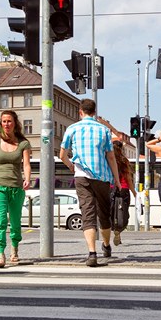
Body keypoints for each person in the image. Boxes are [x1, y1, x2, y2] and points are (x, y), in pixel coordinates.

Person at [59, 98, 121, 267]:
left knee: (87, 214)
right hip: (102, 177)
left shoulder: (72, 129)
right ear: (95, 112)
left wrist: (71, 166)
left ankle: (92, 253)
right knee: (104, 214)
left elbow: (62, 154)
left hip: (81, 176)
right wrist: (116, 179)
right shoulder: (104, 130)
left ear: (80, 112)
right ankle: (106, 246)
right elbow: (110, 157)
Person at [0, 110, 31, 268]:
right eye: (4, 121)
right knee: (1, 221)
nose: (7, 124)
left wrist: (27, 178)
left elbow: (26, 164)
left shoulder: (23, 143)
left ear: (15, 123)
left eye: (9, 121)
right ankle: (0, 254)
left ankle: (15, 249)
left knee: (16, 222)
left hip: (17, 188)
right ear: (1, 123)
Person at [110, 140, 136, 246]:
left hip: (111, 189)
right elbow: (128, 178)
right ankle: (119, 231)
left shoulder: (108, 159)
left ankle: (111, 233)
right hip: (124, 189)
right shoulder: (124, 161)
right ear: (122, 149)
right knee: (124, 214)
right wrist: (134, 191)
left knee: (110, 213)